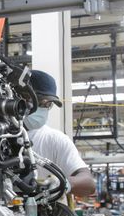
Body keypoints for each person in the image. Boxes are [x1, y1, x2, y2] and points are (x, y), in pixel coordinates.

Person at [24, 69, 96, 198]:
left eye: (48, 104)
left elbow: (89, 183)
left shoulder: (55, 139)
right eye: (39, 102)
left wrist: (64, 183)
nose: (44, 109)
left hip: (42, 213)